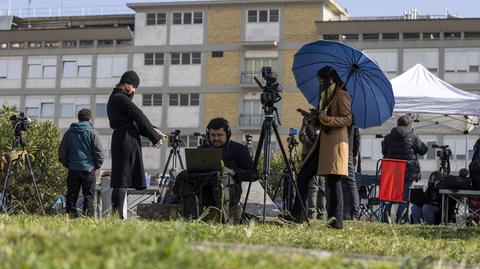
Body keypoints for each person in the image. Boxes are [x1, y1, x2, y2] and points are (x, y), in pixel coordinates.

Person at [291, 66, 352, 229]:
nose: (318, 83)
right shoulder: (325, 97)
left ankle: (336, 221)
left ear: (329, 80)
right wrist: (311, 118)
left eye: (320, 80)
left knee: (334, 182)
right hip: (322, 143)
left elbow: (347, 120)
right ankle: (297, 215)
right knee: (303, 176)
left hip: (335, 145)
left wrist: (327, 118)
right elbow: (320, 124)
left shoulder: (341, 95)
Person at [107, 70, 164, 219]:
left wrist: (153, 130)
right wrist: (154, 137)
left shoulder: (116, 98)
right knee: (121, 180)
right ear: (125, 84)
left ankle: (116, 215)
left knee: (121, 180)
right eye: (132, 86)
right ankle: (118, 217)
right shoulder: (120, 98)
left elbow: (135, 123)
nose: (133, 90)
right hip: (125, 139)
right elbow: (139, 115)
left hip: (122, 138)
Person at [381, 114, 428, 223]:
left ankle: (385, 220)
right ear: (409, 125)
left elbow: (384, 153)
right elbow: (423, 150)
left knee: (389, 196)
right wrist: (416, 135)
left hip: (391, 172)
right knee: (404, 198)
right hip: (407, 172)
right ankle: (401, 221)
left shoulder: (388, 137)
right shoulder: (413, 136)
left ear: (397, 124)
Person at [59, 108, 104, 217]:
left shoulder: (69, 132)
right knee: (88, 196)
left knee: (72, 195)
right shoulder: (92, 132)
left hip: (73, 169)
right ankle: (88, 219)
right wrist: (96, 166)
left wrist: (68, 164)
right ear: (89, 118)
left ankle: (71, 217)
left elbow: (62, 150)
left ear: (78, 118)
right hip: (88, 169)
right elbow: (99, 152)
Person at [299, 116, 326, 220]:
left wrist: (305, 124)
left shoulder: (310, 128)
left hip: (310, 157)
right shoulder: (321, 129)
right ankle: (321, 213)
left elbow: (302, 138)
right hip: (319, 157)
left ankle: (313, 213)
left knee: (315, 187)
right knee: (320, 187)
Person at [342, 126, 360, 220]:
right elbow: (357, 136)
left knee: (346, 183)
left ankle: (351, 213)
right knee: (350, 183)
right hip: (348, 150)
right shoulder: (353, 117)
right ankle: (353, 213)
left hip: (344, 149)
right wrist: (355, 154)